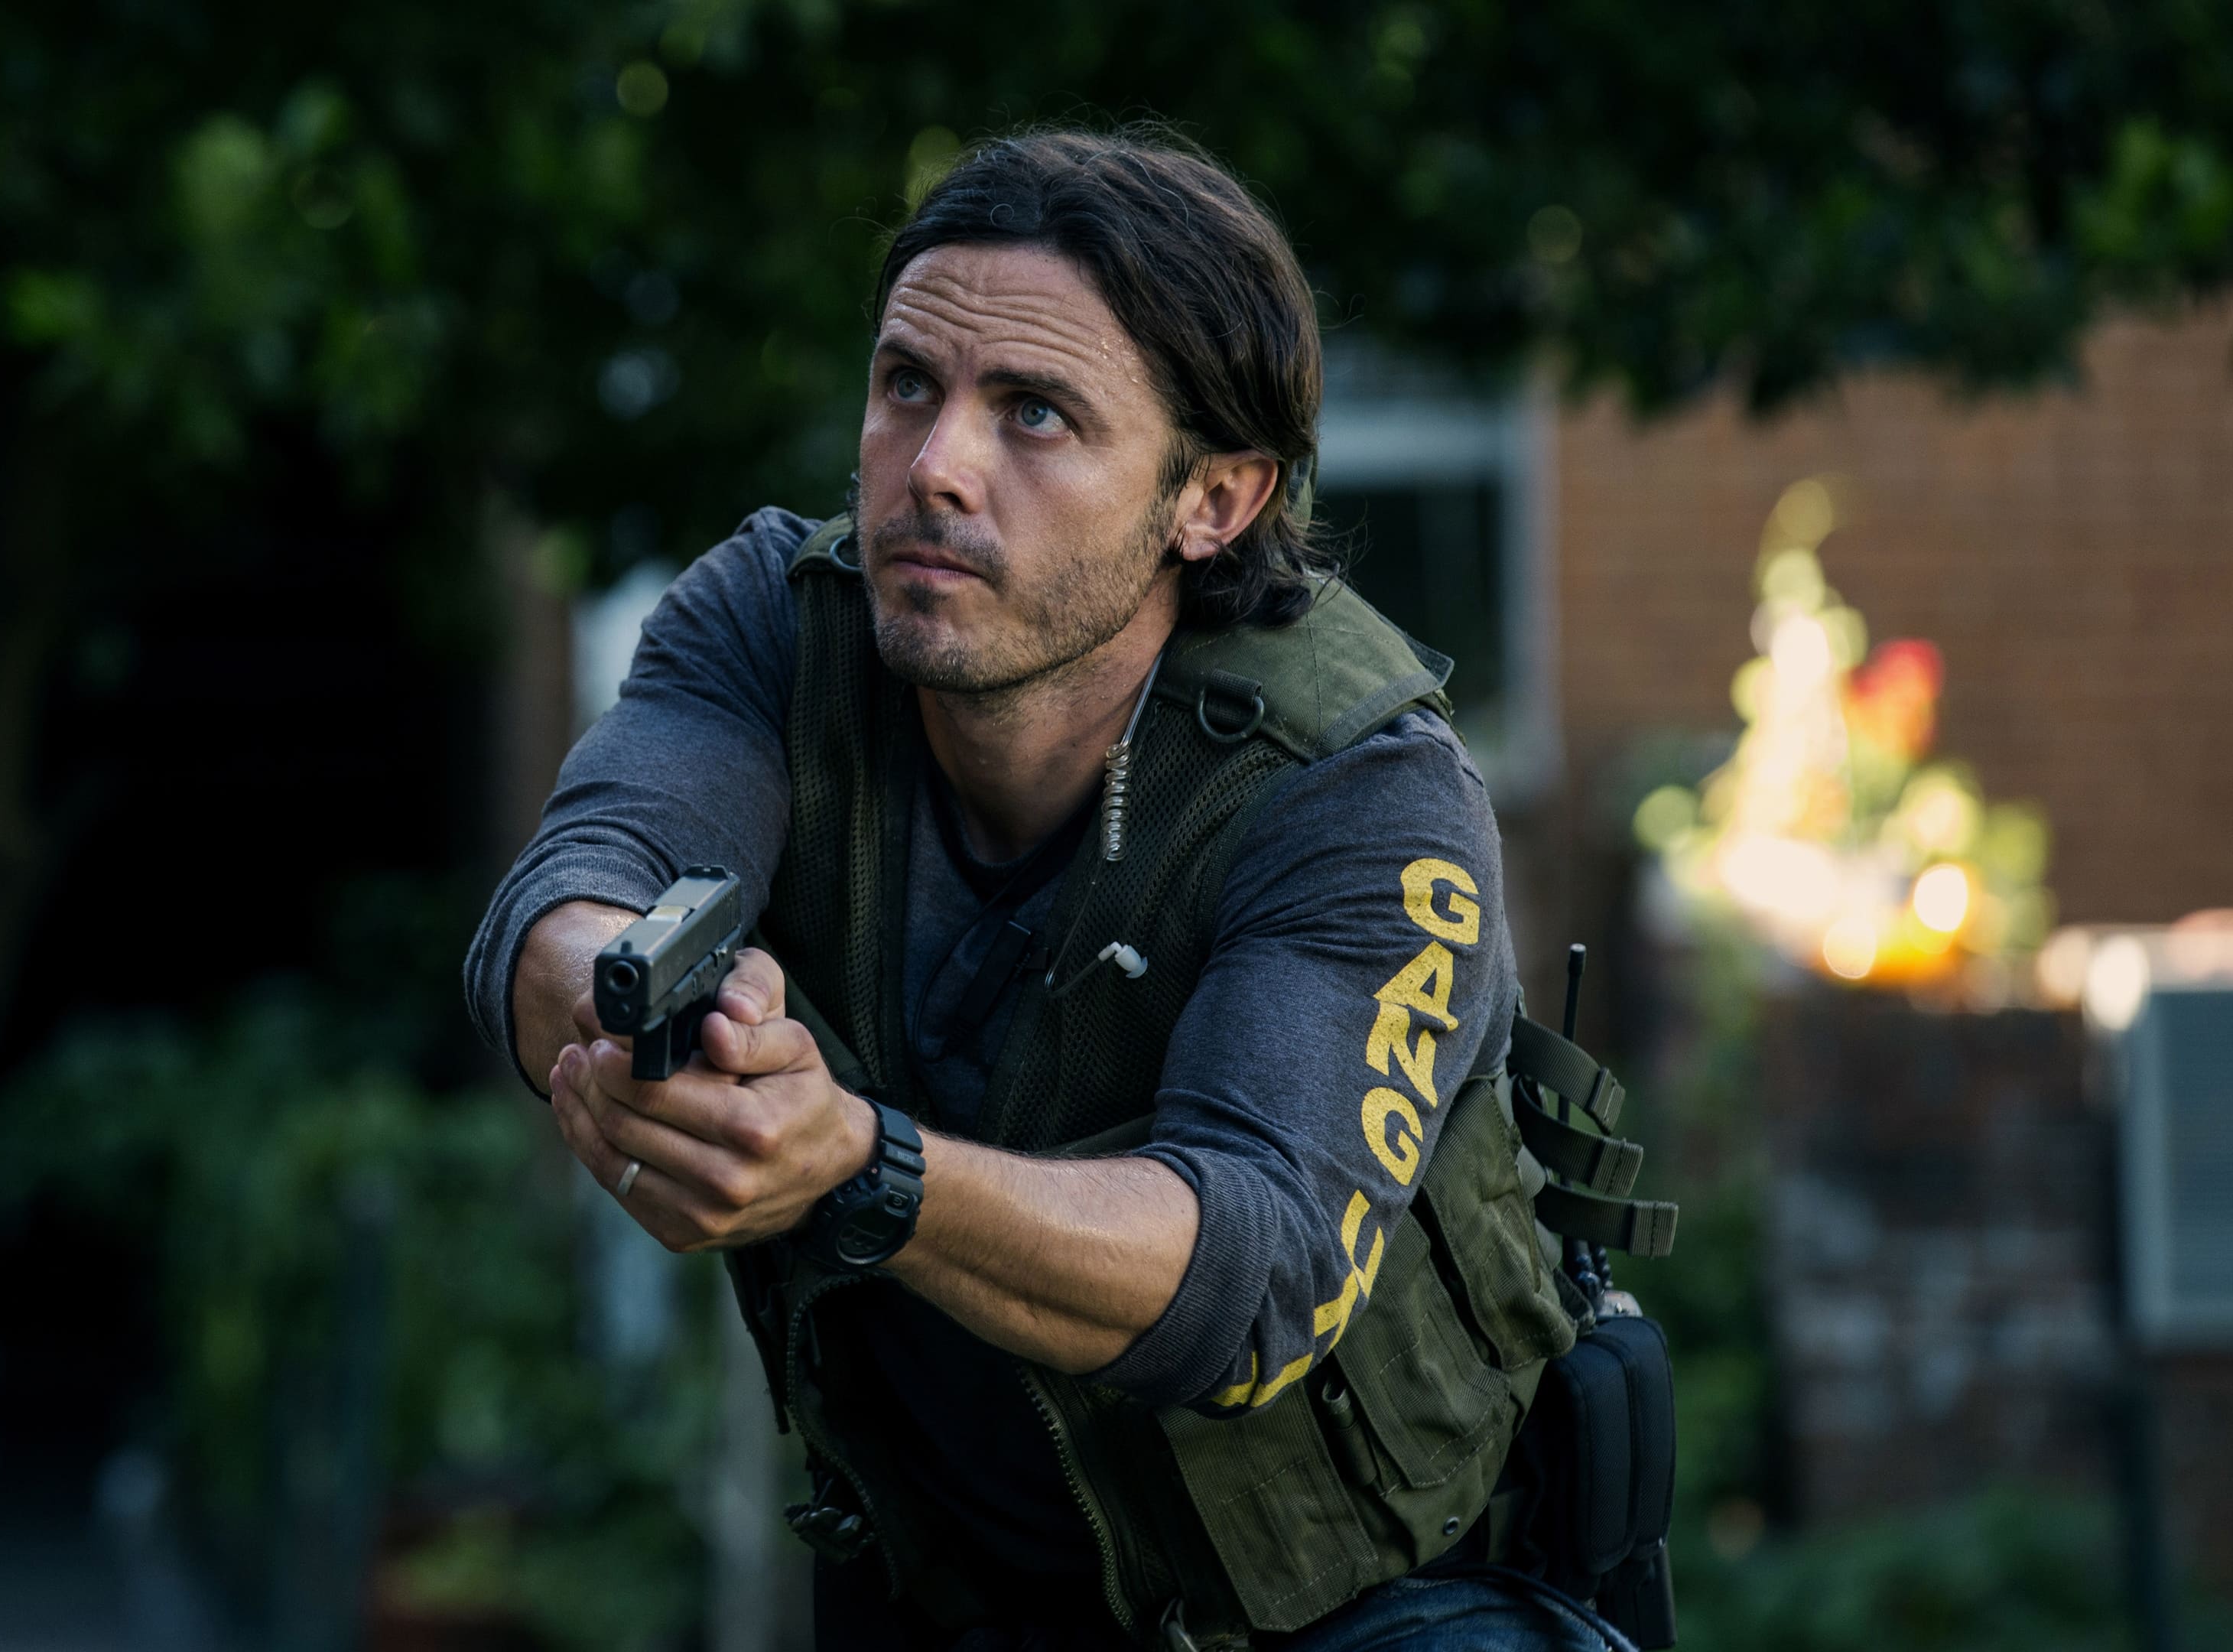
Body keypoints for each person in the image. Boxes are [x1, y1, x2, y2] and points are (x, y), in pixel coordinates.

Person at [466, 128, 1624, 1651]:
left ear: (1213, 499)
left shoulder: (1362, 791)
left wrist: (861, 1168)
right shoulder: (775, 625)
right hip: (940, 1581)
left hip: (1361, 1607)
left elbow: (1250, 1275)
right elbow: (568, 896)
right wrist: (636, 1029)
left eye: (1036, 414)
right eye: (907, 386)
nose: (934, 467)